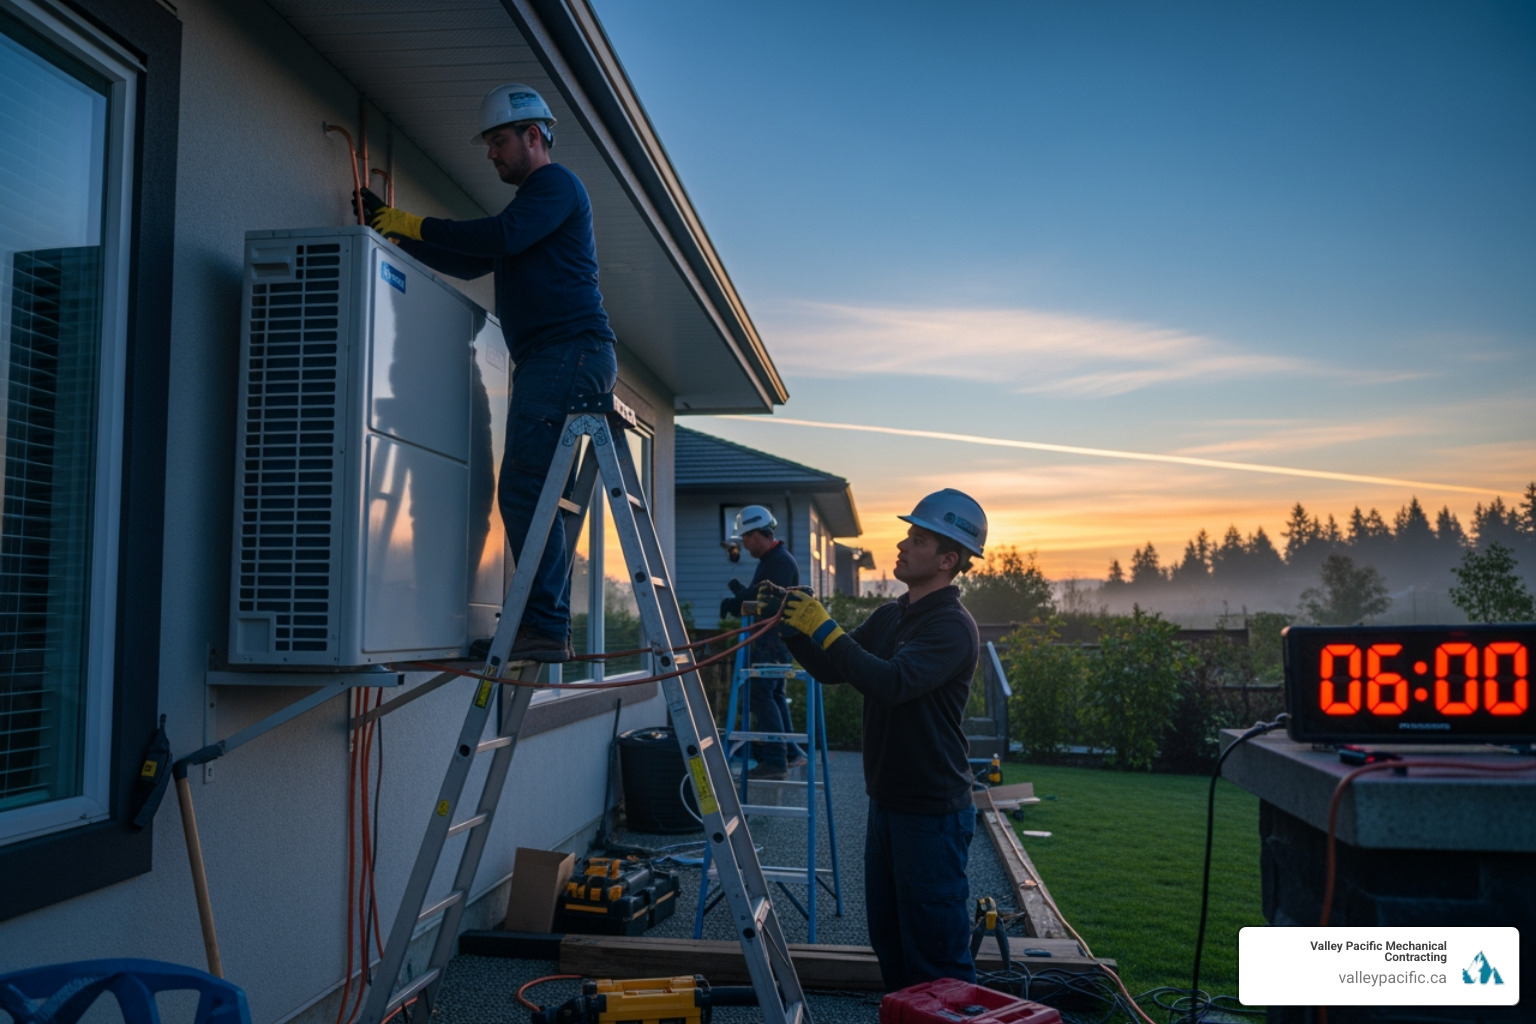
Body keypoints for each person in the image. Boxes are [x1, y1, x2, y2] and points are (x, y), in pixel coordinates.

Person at [364, 84, 617, 662]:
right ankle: (542, 623)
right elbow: (477, 257)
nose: (491, 154)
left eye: (499, 141)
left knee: (527, 487)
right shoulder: (532, 209)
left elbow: (497, 238)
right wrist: (396, 229)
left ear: (535, 136)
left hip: (567, 351)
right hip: (555, 357)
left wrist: (409, 219)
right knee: (536, 491)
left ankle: (544, 626)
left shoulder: (554, 185)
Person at [776, 488, 985, 991]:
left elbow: (890, 683)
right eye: (907, 534)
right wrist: (793, 630)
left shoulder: (952, 627)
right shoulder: (894, 616)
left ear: (947, 560)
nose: (902, 544)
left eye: (917, 539)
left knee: (937, 956)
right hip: (888, 805)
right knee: (890, 944)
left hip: (932, 813)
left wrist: (824, 626)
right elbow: (833, 667)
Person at [717, 506, 803, 779]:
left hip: (771, 641)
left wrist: (738, 599)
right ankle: (789, 753)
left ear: (758, 534)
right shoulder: (774, 560)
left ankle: (776, 760)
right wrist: (740, 597)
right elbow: (757, 594)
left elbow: (764, 601)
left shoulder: (778, 561)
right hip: (776, 641)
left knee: (760, 694)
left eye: (746, 539)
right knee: (774, 695)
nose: (745, 545)